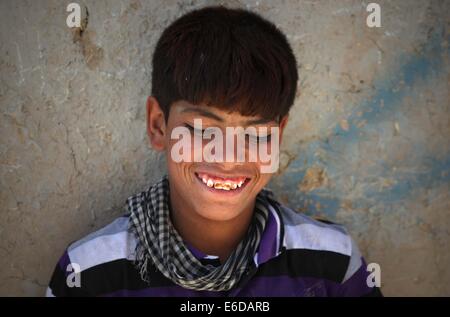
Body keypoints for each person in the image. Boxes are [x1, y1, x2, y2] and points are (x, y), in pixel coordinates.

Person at [46, 6, 381, 297]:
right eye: (203, 129)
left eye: (255, 132)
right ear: (158, 126)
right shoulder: (90, 273)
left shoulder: (332, 262)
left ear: (278, 136)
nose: (229, 157)